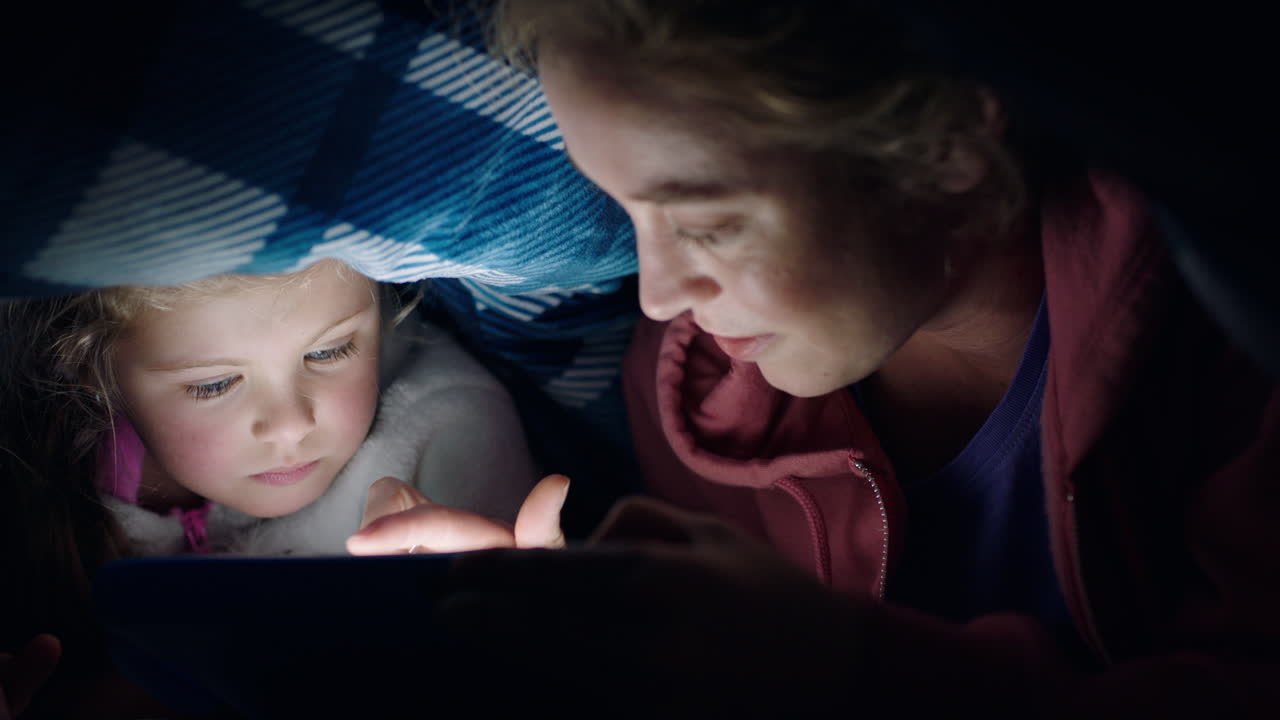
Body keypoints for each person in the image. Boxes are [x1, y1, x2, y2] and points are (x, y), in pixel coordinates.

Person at [349, 1, 1280, 716]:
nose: (658, 294)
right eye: (628, 215)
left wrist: (843, 667)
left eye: (709, 224)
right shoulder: (700, 404)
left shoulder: (1221, 331)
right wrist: (582, 634)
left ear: (948, 142)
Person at [0, 258, 562, 716]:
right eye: (216, 384)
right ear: (87, 366)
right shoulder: (39, 463)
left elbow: (522, 669)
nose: (291, 424)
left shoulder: (453, 429)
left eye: (329, 351)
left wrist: (525, 644)